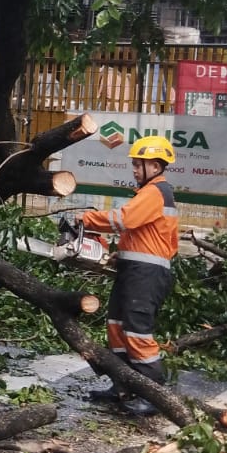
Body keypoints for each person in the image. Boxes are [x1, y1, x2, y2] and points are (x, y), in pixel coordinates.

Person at [79, 135, 179, 416]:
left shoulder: (156, 192)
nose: (134, 170)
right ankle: (122, 384)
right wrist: (121, 253)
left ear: (156, 167)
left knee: (136, 331)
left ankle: (153, 392)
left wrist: (87, 218)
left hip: (146, 275)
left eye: (139, 165)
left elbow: (125, 220)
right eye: (134, 164)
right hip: (134, 271)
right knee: (117, 326)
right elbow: (143, 233)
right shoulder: (151, 193)